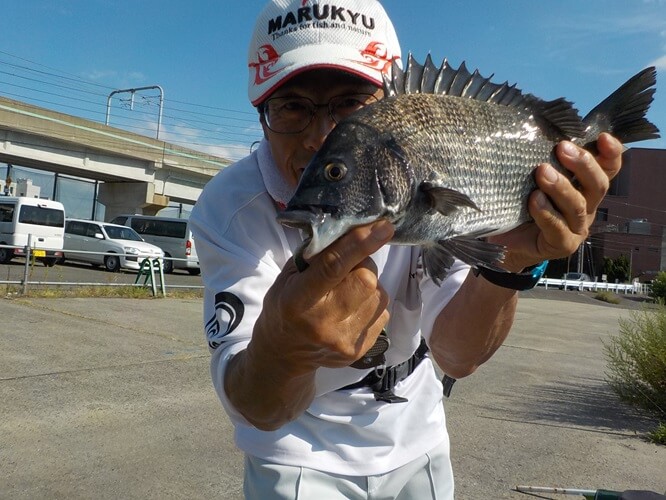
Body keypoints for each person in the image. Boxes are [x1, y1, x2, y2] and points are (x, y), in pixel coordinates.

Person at [190, 0, 624, 498]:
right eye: (292, 106)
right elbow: (256, 404)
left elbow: (458, 356)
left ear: (388, 104)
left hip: (418, 429)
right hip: (296, 447)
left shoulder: (423, 173)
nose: (321, 137)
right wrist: (283, 351)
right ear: (261, 110)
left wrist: (515, 261)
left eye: (351, 104)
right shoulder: (228, 208)